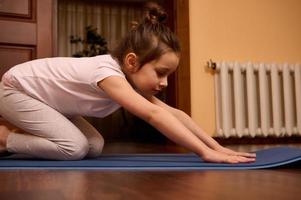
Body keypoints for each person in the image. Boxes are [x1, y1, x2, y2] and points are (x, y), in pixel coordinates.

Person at [0, 3, 256, 163]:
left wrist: (216, 146)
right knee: (74, 148)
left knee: (94, 146)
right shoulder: (108, 74)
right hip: (15, 89)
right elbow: (154, 115)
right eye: (160, 73)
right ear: (132, 62)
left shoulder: (128, 81)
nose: (165, 83)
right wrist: (204, 154)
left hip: (48, 102)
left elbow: (175, 114)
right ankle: (4, 138)